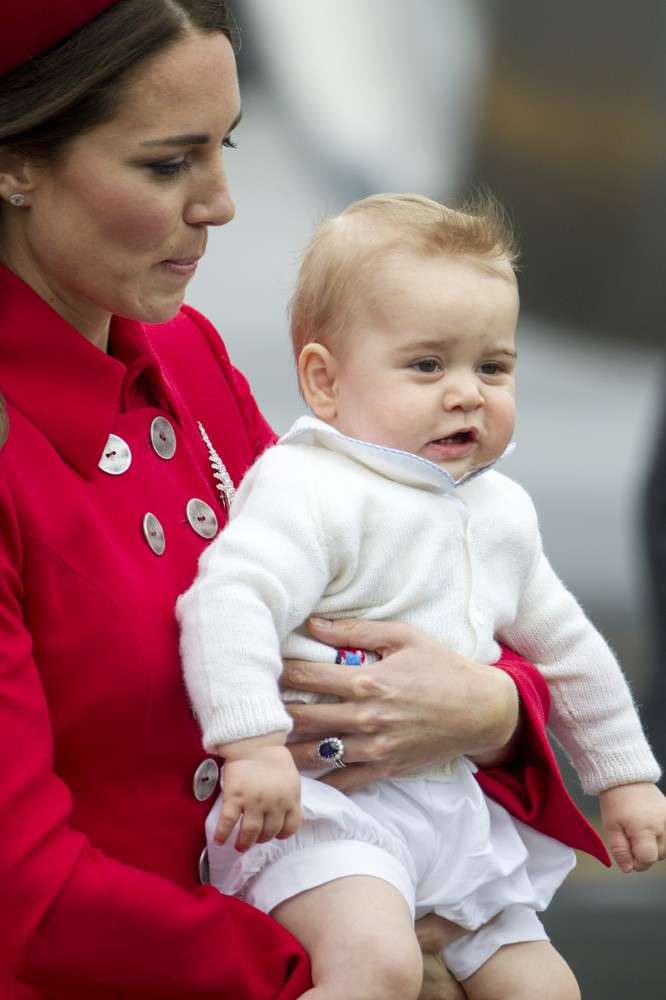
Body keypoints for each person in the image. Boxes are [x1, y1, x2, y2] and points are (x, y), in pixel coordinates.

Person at [0, 3, 576, 997]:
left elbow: (404, 576)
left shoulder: (184, 353)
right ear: (15, 163)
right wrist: (340, 958)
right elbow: (26, 897)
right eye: (166, 164)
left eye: (223, 147)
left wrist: (491, 709)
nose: (221, 203)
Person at [178, 193, 666, 1000]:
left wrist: (624, 777)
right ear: (324, 382)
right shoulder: (311, 486)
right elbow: (228, 603)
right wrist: (254, 744)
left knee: (547, 986)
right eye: (427, 366)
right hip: (326, 811)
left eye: (493, 366)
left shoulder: (500, 510)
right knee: (379, 967)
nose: (467, 392)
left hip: (454, 813)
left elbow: (571, 650)